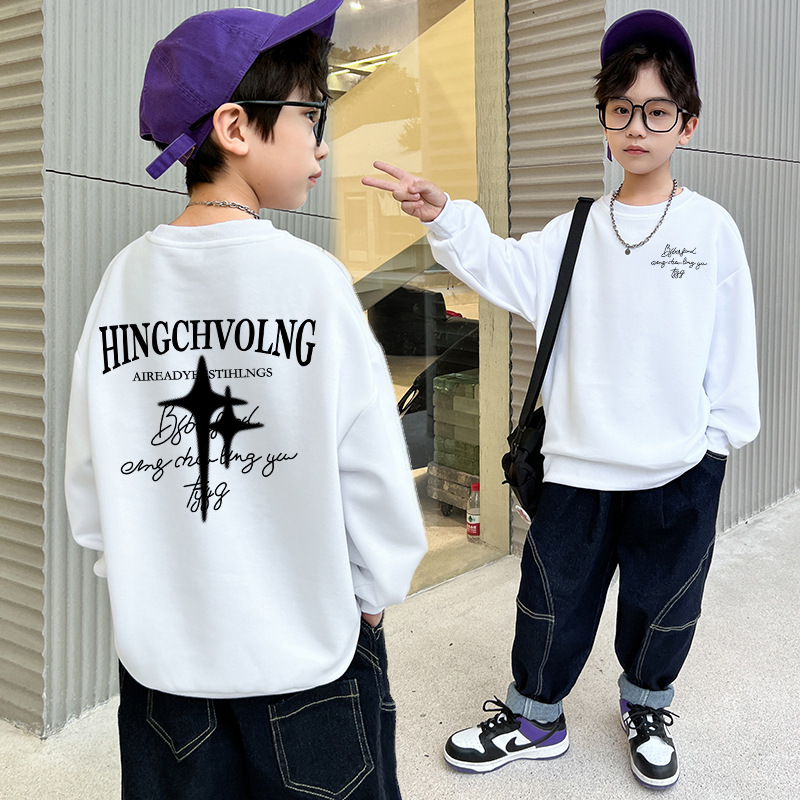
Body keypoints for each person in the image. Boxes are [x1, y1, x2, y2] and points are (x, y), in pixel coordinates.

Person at [363, 9, 759, 790]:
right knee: (551, 601)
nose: (637, 128)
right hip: (577, 466)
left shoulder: (711, 231)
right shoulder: (576, 231)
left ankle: (647, 705)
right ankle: (535, 717)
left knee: (664, 604)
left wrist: (716, 444)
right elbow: (502, 269)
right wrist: (445, 216)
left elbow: (732, 349)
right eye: (621, 109)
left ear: (688, 123)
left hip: (677, 467)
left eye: (657, 111)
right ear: (604, 120)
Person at [64, 2, 427, 798]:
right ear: (234, 126)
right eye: (310, 115)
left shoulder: (122, 282)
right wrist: (372, 594)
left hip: (165, 675)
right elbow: (370, 466)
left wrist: (139, 578)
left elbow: (90, 483)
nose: (322, 144)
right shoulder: (312, 282)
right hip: (307, 661)